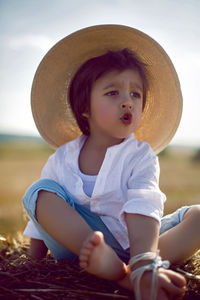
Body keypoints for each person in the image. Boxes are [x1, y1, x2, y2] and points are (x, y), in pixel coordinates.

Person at [23, 25, 200, 300]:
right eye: (113, 93)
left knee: (198, 215)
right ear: (84, 106)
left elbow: (143, 206)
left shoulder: (141, 156)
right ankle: (119, 272)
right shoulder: (62, 158)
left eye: (135, 94)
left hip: (138, 241)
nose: (127, 102)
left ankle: (134, 271)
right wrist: (31, 266)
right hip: (83, 247)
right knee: (38, 191)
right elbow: (41, 217)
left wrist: (143, 259)